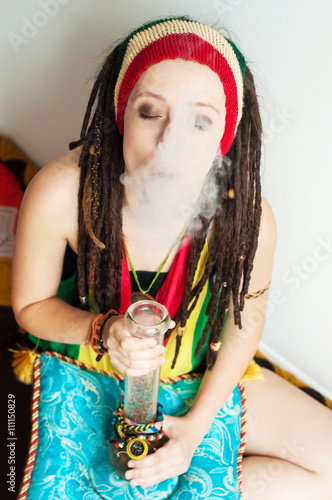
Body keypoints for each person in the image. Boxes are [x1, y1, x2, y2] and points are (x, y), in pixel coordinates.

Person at [12, 16, 332, 499]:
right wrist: (100, 331)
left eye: (199, 120)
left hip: (195, 369)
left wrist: (197, 428)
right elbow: (30, 309)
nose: (170, 144)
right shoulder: (64, 190)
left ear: (225, 135)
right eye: (149, 113)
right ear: (122, 115)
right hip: (87, 362)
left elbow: (247, 323)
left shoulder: (246, 217)